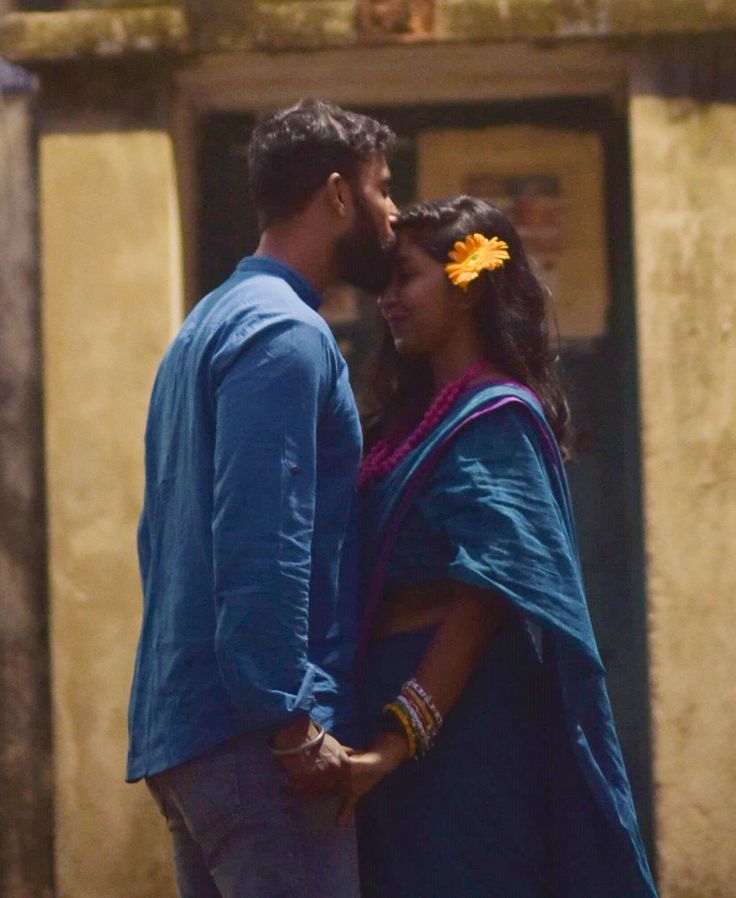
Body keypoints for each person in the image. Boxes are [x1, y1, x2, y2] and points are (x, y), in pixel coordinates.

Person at [339, 196, 658, 898]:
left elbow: (482, 597)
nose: (387, 299)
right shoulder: (409, 420)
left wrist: (398, 740)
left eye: (406, 278)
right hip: (384, 711)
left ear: (470, 283)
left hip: (461, 721)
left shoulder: (496, 416)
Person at [126, 99, 397, 898]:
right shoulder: (285, 335)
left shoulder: (204, 326)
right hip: (255, 746)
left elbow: (159, 537)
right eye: (383, 190)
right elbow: (261, 538)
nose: (392, 213)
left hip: (188, 734)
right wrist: (289, 723)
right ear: (339, 194)